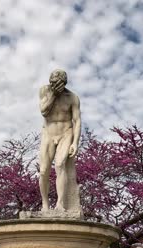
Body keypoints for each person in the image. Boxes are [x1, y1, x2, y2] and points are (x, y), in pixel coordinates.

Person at [39, 69, 81, 212]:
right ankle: (45, 204)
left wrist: (75, 142)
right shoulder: (45, 91)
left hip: (65, 133)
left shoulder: (72, 97)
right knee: (44, 170)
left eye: (58, 84)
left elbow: (77, 120)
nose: (55, 86)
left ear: (64, 83)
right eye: (53, 83)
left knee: (59, 164)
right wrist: (53, 96)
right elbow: (44, 111)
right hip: (48, 133)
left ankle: (60, 204)